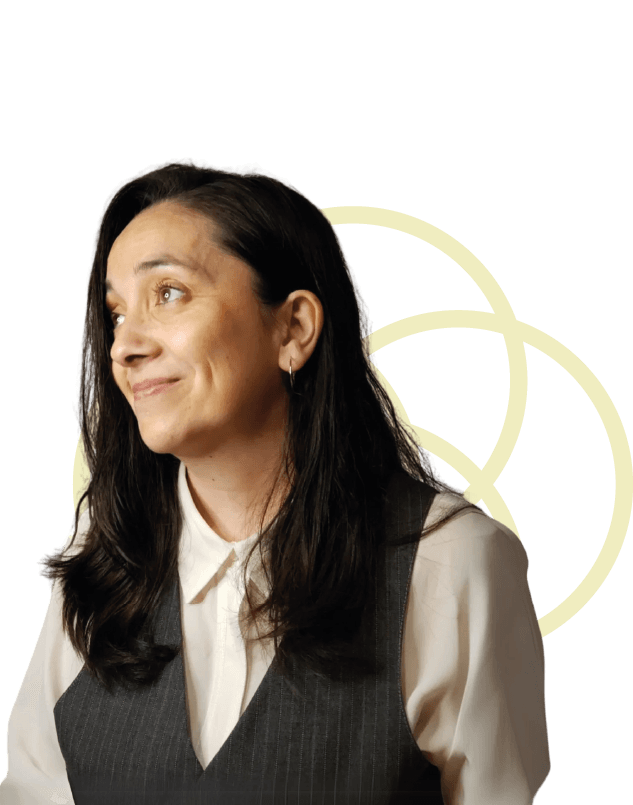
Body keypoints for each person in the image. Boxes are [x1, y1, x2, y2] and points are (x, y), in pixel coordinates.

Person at [1, 158, 551, 804]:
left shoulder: (449, 564)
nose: (124, 347)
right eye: (116, 313)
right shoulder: (99, 560)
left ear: (293, 328)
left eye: (168, 293)